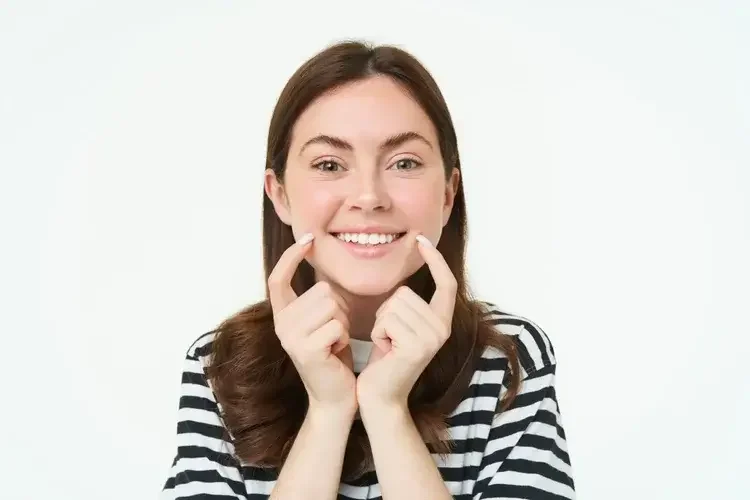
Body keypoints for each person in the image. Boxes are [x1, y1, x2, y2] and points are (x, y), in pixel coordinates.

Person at [161, 40, 575, 499]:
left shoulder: (510, 360)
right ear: (279, 194)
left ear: (448, 193)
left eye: (404, 163)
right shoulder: (220, 364)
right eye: (329, 164)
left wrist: (386, 408)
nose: (368, 196)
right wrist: (327, 411)